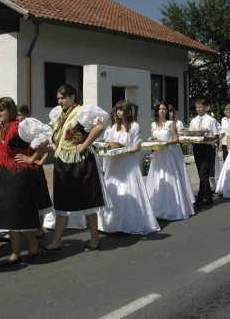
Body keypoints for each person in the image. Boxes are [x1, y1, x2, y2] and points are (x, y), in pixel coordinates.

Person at [43, 84, 109, 252]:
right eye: (58, 98)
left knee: (88, 201)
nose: (60, 101)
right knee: (61, 201)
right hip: (62, 161)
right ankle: (57, 240)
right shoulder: (60, 114)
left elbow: (99, 126)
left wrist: (85, 145)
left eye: (63, 97)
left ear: (73, 97)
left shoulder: (82, 111)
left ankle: (95, 238)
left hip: (80, 162)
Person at [0, 97, 51, 267]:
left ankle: (33, 244)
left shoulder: (21, 126)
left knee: (19, 213)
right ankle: (15, 253)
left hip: (20, 173)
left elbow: (45, 139)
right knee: (8, 215)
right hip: (2, 174)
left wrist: (31, 158)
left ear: (9, 110)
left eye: (2, 110)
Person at [98, 100, 159, 234]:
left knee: (128, 189)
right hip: (114, 163)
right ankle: (111, 223)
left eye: (120, 110)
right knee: (113, 189)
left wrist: (124, 151)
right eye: (117, 110)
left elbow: (137, 147)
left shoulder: (134, 126)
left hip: (127, 163)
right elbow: (109, 143)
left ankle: (128, 223)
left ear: (126, 111)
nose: (118, 112)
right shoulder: (114, 127)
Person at [145, 101, 195, 220]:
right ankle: (157, 208)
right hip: (157, 155)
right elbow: (153, 139)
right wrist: (152, 143)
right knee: (157, 179)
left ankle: (173, 208)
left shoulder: (170, 123)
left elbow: (177, 139)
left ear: (167, 111)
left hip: (168, 154)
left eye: (164, 109)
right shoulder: (153, 125)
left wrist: (167, 143)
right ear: (157, 111)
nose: (162, 111)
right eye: (160, 109)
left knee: (170, 178)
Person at [16, 103, 53, 240]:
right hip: (21, 168)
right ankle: (23, 228)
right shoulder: (17, 128)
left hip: (34, 167)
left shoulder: (32, 126)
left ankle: (39, 228)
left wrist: (37, 160)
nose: (18, 118)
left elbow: (48, 145)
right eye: (16, 115)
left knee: (39, 196)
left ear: (26, 115)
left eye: (20, 115)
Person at [189, 99, 219, 208]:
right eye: (197, 107)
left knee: (204, 173)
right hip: (197, 146)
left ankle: (200, 199)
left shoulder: (211, 120)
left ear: (205, 107)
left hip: (207, 146)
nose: (198, 109)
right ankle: (208, 196)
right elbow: (191, 133)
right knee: (201, 173)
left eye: (200, 107)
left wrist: (208, 138)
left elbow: (216, 135)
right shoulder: (194, 120)